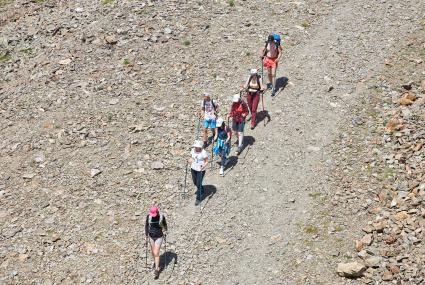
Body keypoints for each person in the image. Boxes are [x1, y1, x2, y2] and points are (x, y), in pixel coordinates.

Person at [145, 206, 168, 279]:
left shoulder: (161, 217)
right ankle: (155, 262)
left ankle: (157, 269)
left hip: (159, 236)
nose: (153, 215)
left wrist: (165, 230)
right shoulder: (149, 216)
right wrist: (146, 234)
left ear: (157, 212)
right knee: (152, 252)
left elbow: (165, 225)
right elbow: (146, 225)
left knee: (156, 252)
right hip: (151, 236)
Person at [188, 140, 209, 205]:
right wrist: (190, 160)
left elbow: (206, 161)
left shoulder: (203, 152)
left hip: (200, 170)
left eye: (197, 147)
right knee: (195, 182)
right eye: (195, 146)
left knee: (199, 183)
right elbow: (192, 158)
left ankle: (198, 198)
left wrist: (203, 166)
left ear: (200, 147)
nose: (196, 148)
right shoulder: (193, 150)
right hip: (193, 168)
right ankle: (202, 190)